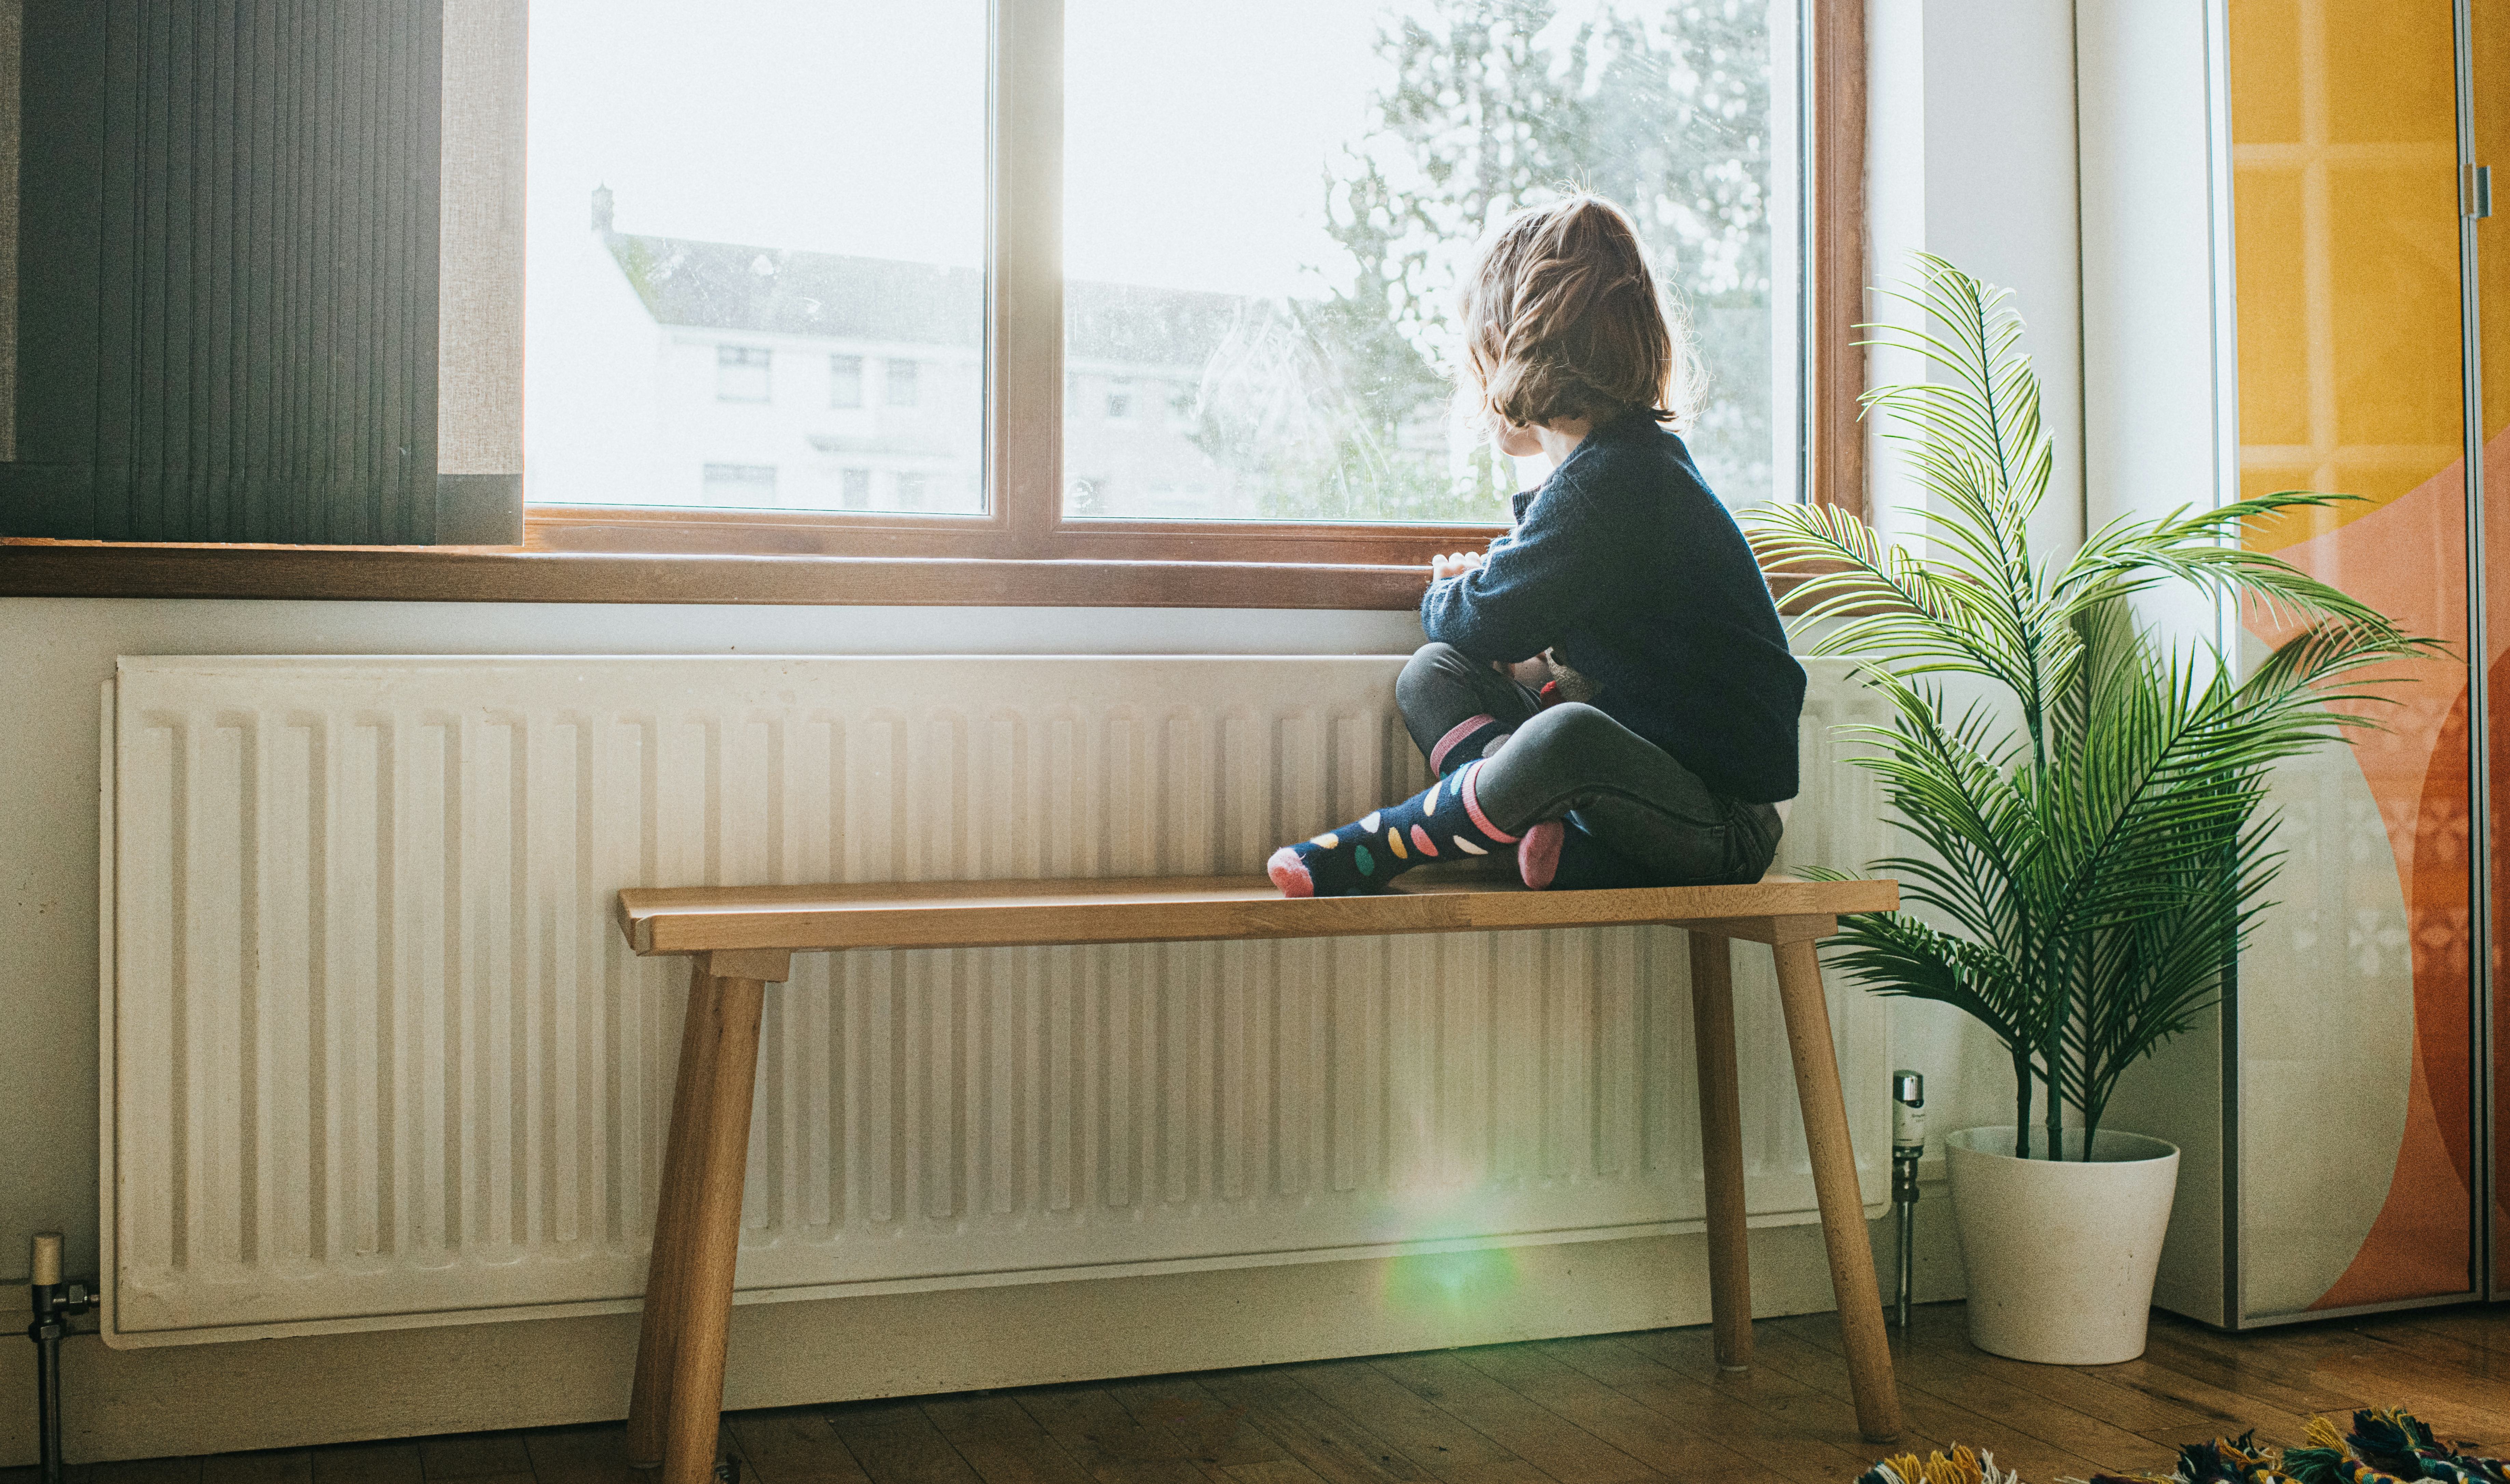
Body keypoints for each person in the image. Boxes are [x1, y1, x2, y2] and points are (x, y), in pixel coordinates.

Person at [1266, 194, 1804, 898]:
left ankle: (1386, 844)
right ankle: (1538, 833)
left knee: (1565, 737)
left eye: (1475, 360)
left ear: (1514, 352)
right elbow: (1529, 614)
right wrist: (1498, 615)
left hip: (1716, 823)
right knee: (1432, 675)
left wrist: (1452, 590)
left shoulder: (1619, 480)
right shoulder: (1603, 477)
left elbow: (1488, 616)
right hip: (1626, 799)